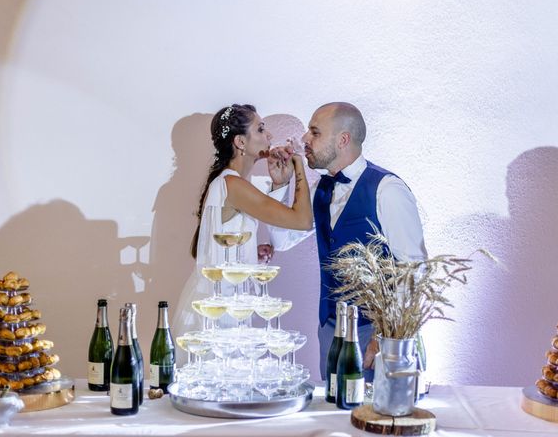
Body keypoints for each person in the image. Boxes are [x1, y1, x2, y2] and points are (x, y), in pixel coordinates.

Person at [268, 102, 427, 382]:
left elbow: (413, 269)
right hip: (330, 329)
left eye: (314, 133)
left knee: (379, 419)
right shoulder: (320, 189)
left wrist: (387, 335)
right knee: (333, 418)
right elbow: (282, 241)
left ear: (343, 140)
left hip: (377, 335)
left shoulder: (387, 190)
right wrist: (280, 186)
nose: (305, 139)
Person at [172, 104, 312, 341]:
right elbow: (302, 220)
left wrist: (278, 184)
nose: (269, 136)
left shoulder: (228, 182)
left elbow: (219, 245)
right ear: (240, 143)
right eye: (260, 129)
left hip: (227, 304)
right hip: (220, 313)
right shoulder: (233, 185)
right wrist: (299, 165)